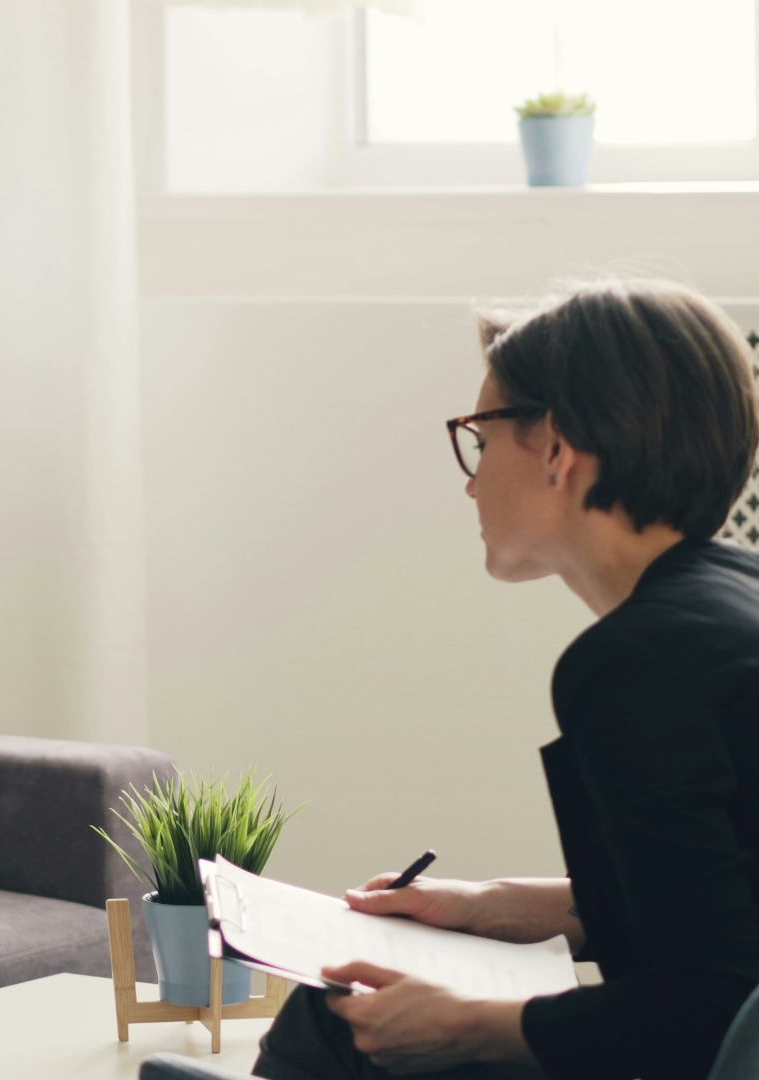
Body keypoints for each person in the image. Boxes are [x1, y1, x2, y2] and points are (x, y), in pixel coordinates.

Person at [254, 279, 759, 1080]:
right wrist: (494, 906)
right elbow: (730, 916)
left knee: (337, 1019)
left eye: (479, 441)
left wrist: (469, 1026)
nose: (470, 480)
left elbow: (707, 1009)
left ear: (557, 448)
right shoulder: (734, 600)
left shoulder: (636, 662)